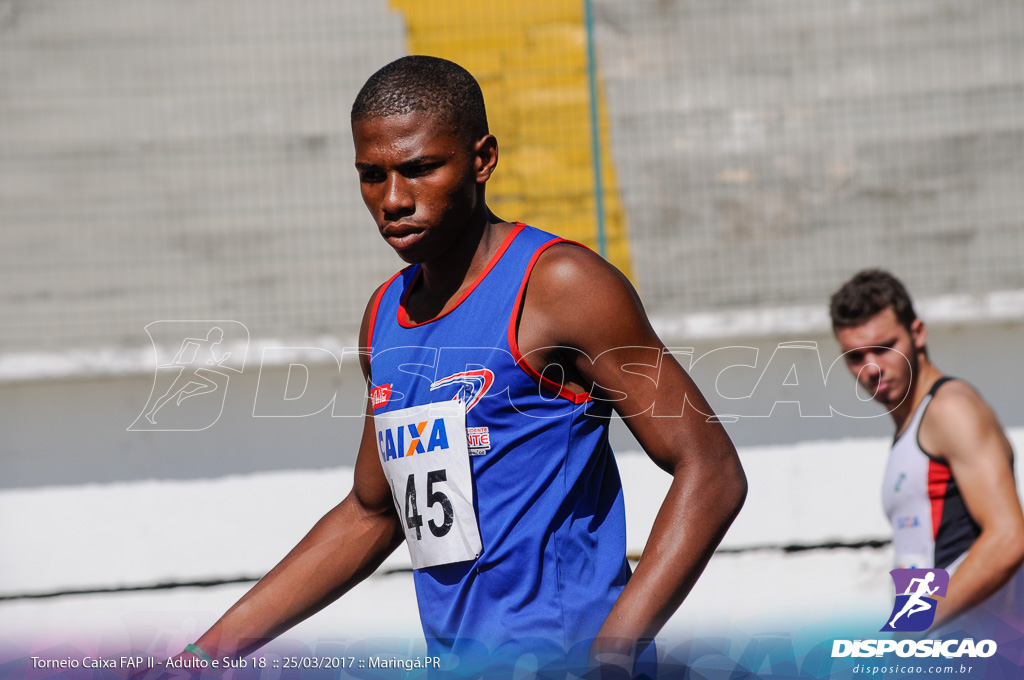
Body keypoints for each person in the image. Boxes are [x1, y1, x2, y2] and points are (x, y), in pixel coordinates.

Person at [169, 55, 746, 676]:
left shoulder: (560, 284)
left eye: (420, 169)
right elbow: (372, 512)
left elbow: (710, 470)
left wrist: (615, 649)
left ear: (483, 158)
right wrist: (203, 655)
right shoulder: (384, 315)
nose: (393, 199)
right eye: (371, 174)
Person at [830, 269, 1024, 630]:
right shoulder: (914, 422)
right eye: (856, 357)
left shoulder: (949, 408)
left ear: (918, 333)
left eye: (884, 348)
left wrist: (912, 626)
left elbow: (1008, 538)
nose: (872, 368)